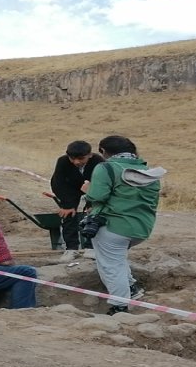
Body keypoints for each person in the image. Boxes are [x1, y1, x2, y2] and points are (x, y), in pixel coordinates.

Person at [83, 135, 165, 315]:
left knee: (110, 266)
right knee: (117, 259)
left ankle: (120, 307)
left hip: (112, 226)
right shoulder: (149, 172)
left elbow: (97, 196)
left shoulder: (106, 168)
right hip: (141, 228)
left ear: (103, 151)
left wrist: (86, 193)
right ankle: (132, 288)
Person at [49, 140, 104, 262]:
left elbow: (102, 184)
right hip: (70, 189)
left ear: (90, 155)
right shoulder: (62, 161)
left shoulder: (99, 162)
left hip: (92, 188)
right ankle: (71, 248)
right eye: (72, 159)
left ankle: (91, 247)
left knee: (94, 215)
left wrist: (91, 202)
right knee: (68, 215)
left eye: (80, 159)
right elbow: (58, 182)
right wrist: (68, 204)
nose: (76, 162)